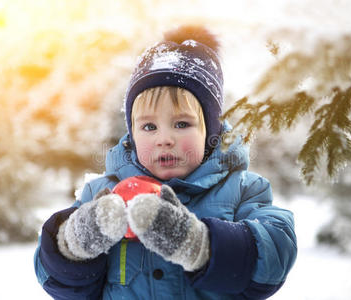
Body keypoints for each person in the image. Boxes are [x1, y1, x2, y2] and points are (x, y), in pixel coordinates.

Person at [34, 25, 297, 300]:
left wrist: (196, 244)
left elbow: (276, 252)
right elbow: (52, 275)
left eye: (181, 123)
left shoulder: (242, 190)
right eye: (149, 127)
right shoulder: (101, 194)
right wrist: (77, 241)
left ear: (211, 131)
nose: (164, 139)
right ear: (132, 133)